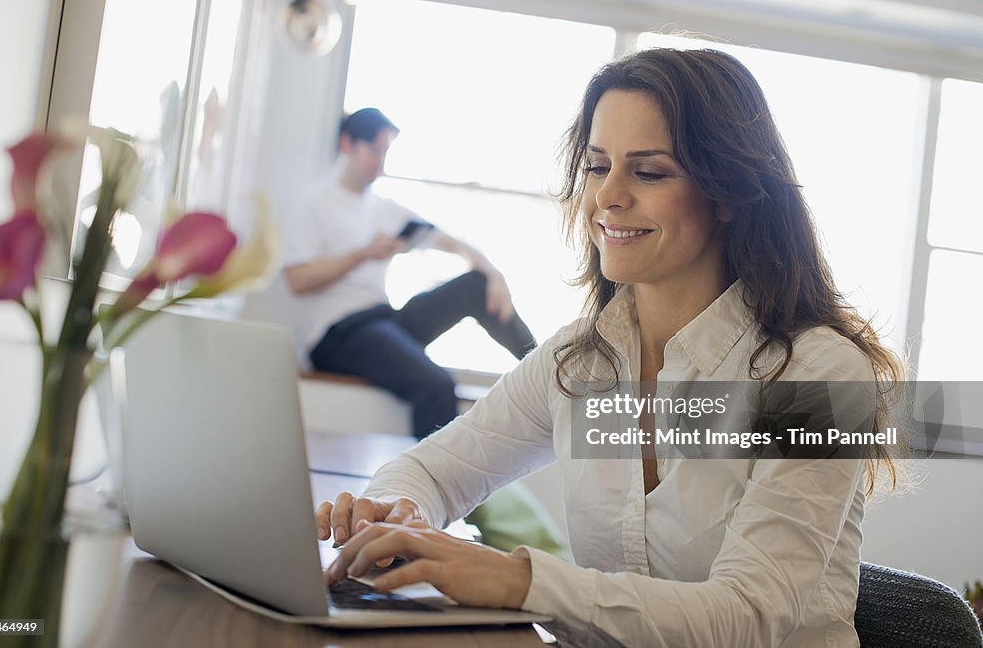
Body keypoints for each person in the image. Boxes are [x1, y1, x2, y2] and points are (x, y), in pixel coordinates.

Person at [315, 48, 906, 646]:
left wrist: (517, 580)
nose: (607, 198)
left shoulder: (823, 375)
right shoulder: (577, 362)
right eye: (598, 167)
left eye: (648, 172)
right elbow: (428, 470)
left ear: (727, 195)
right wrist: (394, 513)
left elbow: (746, 620)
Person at [282, 108, 536, 439]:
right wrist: (363, 254)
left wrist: (494, 273)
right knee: (438, 385)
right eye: (375, 150)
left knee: (476, 284)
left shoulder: (385, 209)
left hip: (384, 321)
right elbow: (297, 281)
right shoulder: (313, 204)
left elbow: (452, 242)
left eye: (386, 152)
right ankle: (431, 488)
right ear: (347, 144)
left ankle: (546, 371)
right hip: (337, 335)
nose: (381, 162)